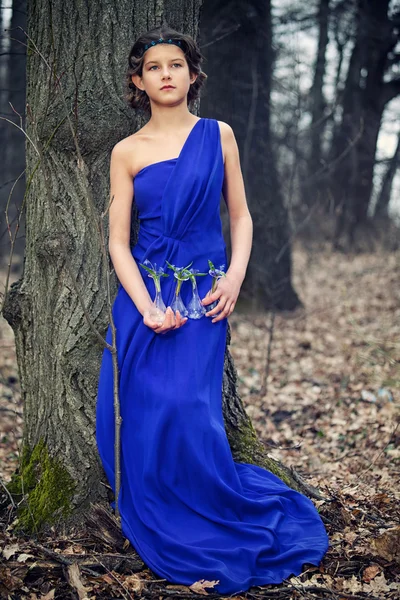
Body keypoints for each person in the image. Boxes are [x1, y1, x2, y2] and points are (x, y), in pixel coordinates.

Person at [96, 24, 329, 595]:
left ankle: (208, 513)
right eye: (154, 67)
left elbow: (242, 217)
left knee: (191, 409)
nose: (167, 74)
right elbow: (117, 243)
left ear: (193, 75)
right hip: (144, 301)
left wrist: (235, 276)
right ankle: (158, 513)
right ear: (138, 80)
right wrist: (147, 307)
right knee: (141, 413)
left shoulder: (217, 135)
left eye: (176, 64)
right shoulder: (125, 152)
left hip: (203, 300)